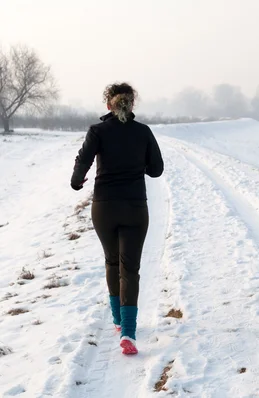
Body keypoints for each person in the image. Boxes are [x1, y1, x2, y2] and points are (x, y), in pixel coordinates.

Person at [70, 83, 164, 355]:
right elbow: (156, 170)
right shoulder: (143, 132)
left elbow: (83, 160)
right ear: (131, 104)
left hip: (104, 207)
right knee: (130, 268)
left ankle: (116, 319)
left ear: (108, 105)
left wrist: (77, 181)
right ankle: (129, 333)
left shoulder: (97, 131)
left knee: (112, 261)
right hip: (135, 206)